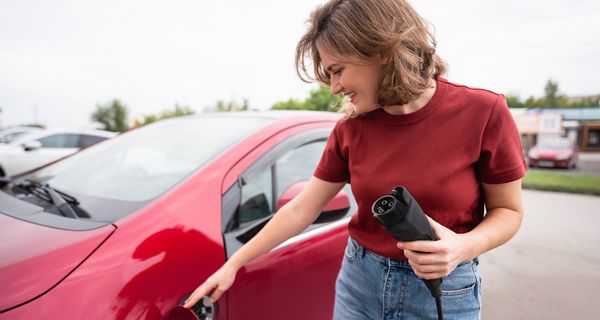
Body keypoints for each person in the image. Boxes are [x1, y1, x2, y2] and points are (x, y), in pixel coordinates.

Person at [183, 0, 526, 319]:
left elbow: (508, 212)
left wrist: (463, 247)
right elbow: (303, 208)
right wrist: (233, 264)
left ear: (378, 50)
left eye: (337, 70)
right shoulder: (350, 129)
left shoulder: (484, 113)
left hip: (444, 289)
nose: (333, 87)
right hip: (359, 283)